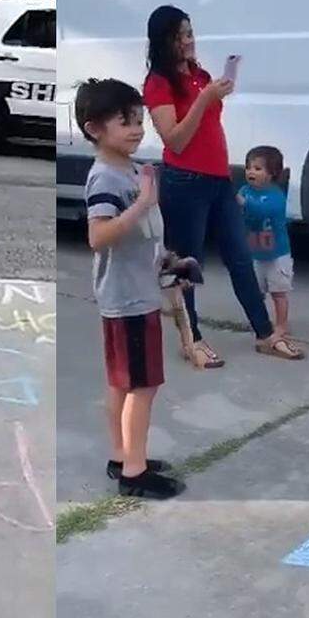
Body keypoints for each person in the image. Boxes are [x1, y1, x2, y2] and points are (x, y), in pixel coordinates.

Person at [143, 4, 284, 368]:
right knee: (186, 265)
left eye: (190, 33)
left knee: (239, 256)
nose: (189, 42)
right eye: (181, 37)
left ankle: (265, 333)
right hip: (184, 181)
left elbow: (208, 125)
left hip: (219, 180)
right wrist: (205, 99)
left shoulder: (198, 73)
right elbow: (175, 140)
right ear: (164, 42)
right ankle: (192, 340)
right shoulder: (158, 83)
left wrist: (214, 92)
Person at [75, 78, 184, 500]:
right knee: (142, 385)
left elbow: (146, 232)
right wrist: (140, 203)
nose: (138, 129)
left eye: (139, 120)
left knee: (124, 382)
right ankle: (134, 473)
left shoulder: (131, 170)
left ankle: (122, 454)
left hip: (135, 291)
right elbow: (98, 236)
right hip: (127, 299)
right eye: (125, 122)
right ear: (94, 129)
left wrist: (167, 261)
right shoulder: (105, 178)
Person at [237, 146, 304, 360]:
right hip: (254, 252)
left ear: (272, 174)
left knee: (279, 292)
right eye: (248, 167)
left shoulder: (275, 196)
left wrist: (244, 204)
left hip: (277, 255)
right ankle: (261, 321)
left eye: (257, 168)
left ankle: (281, 325)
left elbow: (262, 212)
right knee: (255, 292)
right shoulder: (244, 191)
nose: (251, 172)